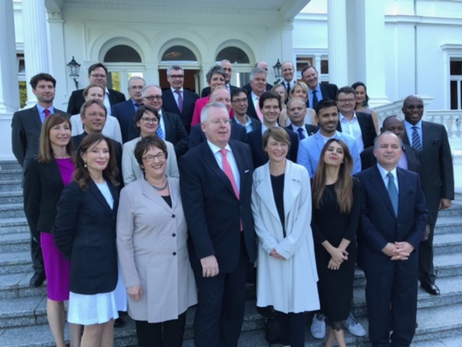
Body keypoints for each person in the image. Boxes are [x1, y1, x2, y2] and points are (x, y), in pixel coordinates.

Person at [179, 102, 257, 347]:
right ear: (203, 127)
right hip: (211, 252)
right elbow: (194, 211)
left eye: (226, 121)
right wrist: (206, 253)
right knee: (210, 310)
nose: (223, 126)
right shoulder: (192, 160)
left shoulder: (243, 150)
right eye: (216, 121)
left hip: (241, 249)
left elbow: (245, 201)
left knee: (235, 309)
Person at [117, 135, 197, 347]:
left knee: (175, 332)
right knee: (149, 336)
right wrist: (131, 281)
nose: (156, 160)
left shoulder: (181, 186)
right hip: (146, 277)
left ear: (167, 157)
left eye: (160, 155)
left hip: (178, 272)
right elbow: (123, 240)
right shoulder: (130, 193)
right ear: (141, 163)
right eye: (149, 156)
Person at [355, 131, 428, 346]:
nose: (389, 150)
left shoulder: (412, 178)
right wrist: (383, 246)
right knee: (378, 304)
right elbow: (361, 217)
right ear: (375, 151)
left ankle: (402, 342)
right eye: (384, 146)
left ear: (400, 151)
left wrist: (411, 244)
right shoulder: (361, 180)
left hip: (407, 256)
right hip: (377, 256)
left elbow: (422, 214)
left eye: (394, 147)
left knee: (406, 304)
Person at [252, 127, 319, 347]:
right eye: (274, 143)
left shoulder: (300, 172)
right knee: (278, 300)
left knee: (297, 304)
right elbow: (256, 214)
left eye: (283, 144)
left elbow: (304, 214)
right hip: (271, 249)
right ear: (265, 147)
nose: (279, 149)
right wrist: (271, 245)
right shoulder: (257, 175)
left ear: (289, 147)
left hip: (297, 247)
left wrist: (286, 246)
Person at [53, 134, 120, 347]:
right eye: (95, 151)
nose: (102, 155)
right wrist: (81, 255)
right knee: (92, 327)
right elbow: (61, 232)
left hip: (109, 265)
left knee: (108, 322)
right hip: (87, 269)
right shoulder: (75, 189)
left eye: (105, 151)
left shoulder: (112, 185)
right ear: (82, 155)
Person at [23, 114, 80, 347]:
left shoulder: (79, 160)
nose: (63, 132)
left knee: (77, 293)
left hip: (80, 233)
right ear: (47, 133)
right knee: (57, 293)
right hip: (52, 235)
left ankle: (76, 342)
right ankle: (60, 342)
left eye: (66, 127)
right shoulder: (37, 164)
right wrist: (40, 236)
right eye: (57, 128)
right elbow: (31, 206)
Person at [11, 72, 68, 287]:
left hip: (62, 171)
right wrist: (32, 168)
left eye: (50, 87)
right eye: (42, 87)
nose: (47, 90)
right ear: (34, 90)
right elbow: (19, 148)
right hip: (37, 174)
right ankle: (39, 268)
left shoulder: (65, 116)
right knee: (38, 221)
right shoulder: (22, 117)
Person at [401, 95, 454, 295]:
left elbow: (445, 162)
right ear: (404, 109)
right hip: (405, 193)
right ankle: (407, 277)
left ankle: (427, 277)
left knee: (426, 237)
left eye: (419, 107)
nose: (416, 110)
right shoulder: (396, 130)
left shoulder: (437, 130)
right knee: (407, 234)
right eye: (411, 107)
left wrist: (447, 194)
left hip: (431, 194)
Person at [311, 139, 360, 347]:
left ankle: (331, 343)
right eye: (330, 149)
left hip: (346, 252)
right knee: (329, 298)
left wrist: (339, 252)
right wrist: (330, 250)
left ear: (343, 159)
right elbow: (310, 222)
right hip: (322, 251)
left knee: (340, 298)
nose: (334, 153)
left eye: (339, 151)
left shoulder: (353, 184)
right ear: (323, 155)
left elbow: (355, 220)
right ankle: (341, 344)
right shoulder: (312, 184)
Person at [297, 99, 361, 178]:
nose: (331, 119)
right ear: (317, 118)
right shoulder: (305, 145)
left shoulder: (351, 141)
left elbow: (355, 173)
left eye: (334, 114)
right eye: (326, 116)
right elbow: (306, 177)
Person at [122, 105, 178, 185]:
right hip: (138, 195)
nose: (150, 122)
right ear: (138, 123)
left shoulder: (168, 146)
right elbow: (128, 180)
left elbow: (174, 175)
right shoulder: (128, 147)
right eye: (146, 119)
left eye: (154, 120)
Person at [247, 91, 299, 168]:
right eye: (267, 107)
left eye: (275, 107)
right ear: (261, 110)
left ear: (280, 110)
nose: (271, 111)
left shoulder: (292, 136)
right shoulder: (250, 138)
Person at [142, 84, 189, 157]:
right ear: (143, 100)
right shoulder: (138, 120)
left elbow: (185, 140)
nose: (155, 100)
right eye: (151, 97)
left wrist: (169, 153)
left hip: (172, 160)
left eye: (158, 97)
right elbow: (136, 143)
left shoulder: (174, 118)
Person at [335, 86, 377, 152]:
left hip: (363, 160)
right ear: (337, 103)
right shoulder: (333, 121)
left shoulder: (366, 118)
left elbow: (373, 141)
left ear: (355, 101)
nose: (347, 103)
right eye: (343, 100)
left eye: (350, 100)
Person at [162, 65, 199, 133]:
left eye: (180, 76)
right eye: (174, 76)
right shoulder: (162, 97)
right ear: (168, 78)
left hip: (190, 135)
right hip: (171, 136)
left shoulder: (194, 96)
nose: (177, 79)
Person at [112, 76, 146, 143]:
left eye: (140, 87)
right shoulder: (118, 109)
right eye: (134, 87)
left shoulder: (151, 107)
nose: (137, 91)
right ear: (128, 90)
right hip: (127, 148)